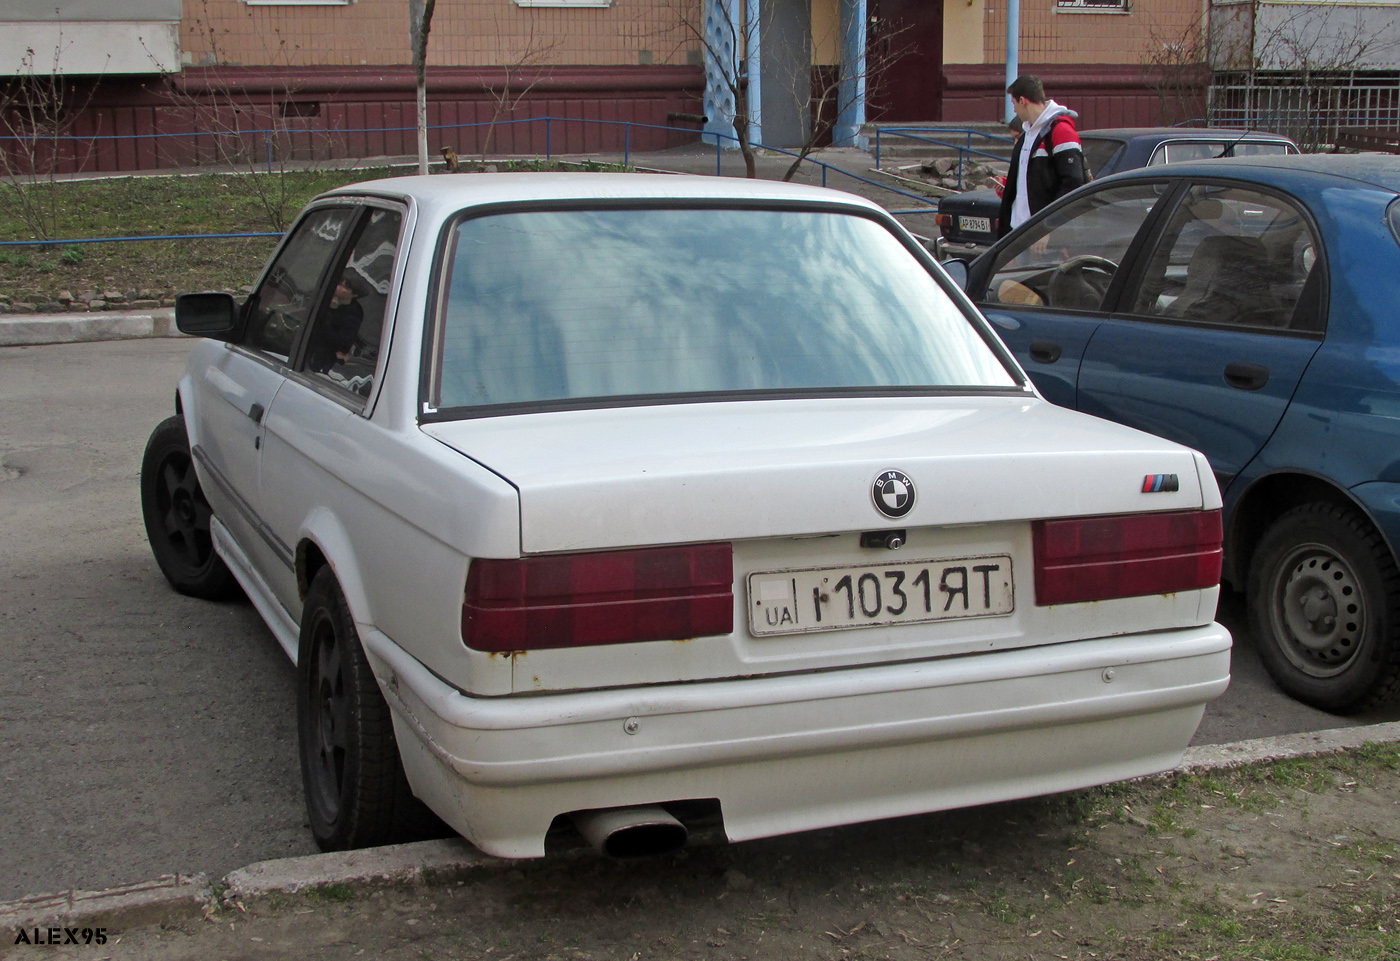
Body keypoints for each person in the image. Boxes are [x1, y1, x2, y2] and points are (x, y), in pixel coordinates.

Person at [996, 76, 1087, 238]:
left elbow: (1072, 184)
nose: (1014, 110)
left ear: (1023, 101)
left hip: (1042, 236)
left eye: (1014, 104)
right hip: (1018, 232)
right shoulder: (1027, 135)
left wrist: (1048, 227)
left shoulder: (1061, 131)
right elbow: (1032, 182)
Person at [307, 272, 366, 373]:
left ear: (354, 295)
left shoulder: (353, 314)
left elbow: (341, 343)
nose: (338, 287)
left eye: (345, 287)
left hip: (323, 360)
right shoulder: (323, 297)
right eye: (340, 283)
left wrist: (331, 312)